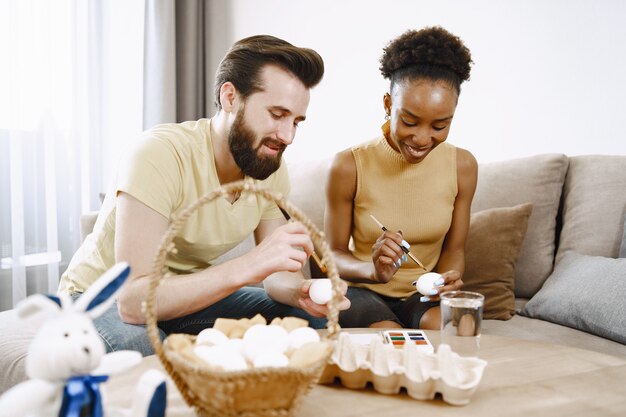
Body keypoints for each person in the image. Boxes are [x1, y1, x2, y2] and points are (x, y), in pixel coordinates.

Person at [57, 34, 349, 355]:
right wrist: (248, 265)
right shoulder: (158, 154)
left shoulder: (269, 167)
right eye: (277, 115)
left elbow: (279, 274)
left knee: (307, 322)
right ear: (230, 98)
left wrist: (300, 290)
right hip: (100, 297)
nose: (288, 135)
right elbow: (133, 303)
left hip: (185, 300)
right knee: (143, 350)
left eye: (296, 121)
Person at [325, 26, 477, 330]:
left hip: (422, 295)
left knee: (459, 330)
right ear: (387, 105)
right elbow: (332, 255)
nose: (422, 139)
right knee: (390, 345)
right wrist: (373, 269)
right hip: (362, 290)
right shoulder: (348, 165)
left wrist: (448, 280)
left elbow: (454, 251)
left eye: (439, 126)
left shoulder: (463, 166)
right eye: (409, 121)